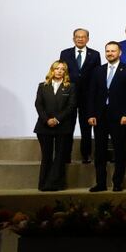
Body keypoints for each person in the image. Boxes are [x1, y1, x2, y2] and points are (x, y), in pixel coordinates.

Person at [88, 42, 126, 192]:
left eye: (113, 51)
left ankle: (117, 183)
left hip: (119, 117)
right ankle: (101, 183)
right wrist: (91, 114)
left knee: (119, 150)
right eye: (107, 51)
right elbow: (92, 95)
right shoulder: (98, 71)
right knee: (100, 151)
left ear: (119, 53)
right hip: (100, 116)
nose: (110, 53)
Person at [59, 28, 99, 164]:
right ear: (73, 39)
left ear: (87, 39)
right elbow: (62, 74)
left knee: (86, 128)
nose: (80, 39)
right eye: (77, 37)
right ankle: (65, 156)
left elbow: (96, 77)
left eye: (83, 37)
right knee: (67, 127)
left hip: (87, 97)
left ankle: (86, 154)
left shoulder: (95, 55)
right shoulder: (65, 53)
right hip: (69, 96)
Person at [35, 61, 76, 191]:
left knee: (59, 156)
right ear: (52, 70)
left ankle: (55, 184)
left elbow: (71, 106)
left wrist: (57, 119)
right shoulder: (43, 86)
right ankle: (43, 184)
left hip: (62, 126)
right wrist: (47, 120)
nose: (59, 71)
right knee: (46, 156)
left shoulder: (70, 87)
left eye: (62, 69)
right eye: (56, 68)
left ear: (65, 72)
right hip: (44, 126)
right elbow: (39, 105)